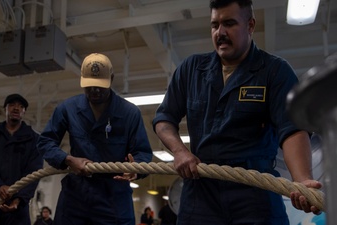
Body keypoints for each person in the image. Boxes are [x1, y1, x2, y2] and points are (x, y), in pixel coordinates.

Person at [152, 0, 322, 224]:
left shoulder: (274, 71)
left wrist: (302, 180)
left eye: (229, 23)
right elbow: (164, 120)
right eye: (215, 25)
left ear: (250, 25)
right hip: (201, 191)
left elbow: (291, 130)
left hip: (255, 191)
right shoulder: (191, 69)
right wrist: (180, 151)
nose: (220, 33)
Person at [37, 53, 153, 225]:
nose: (95, 90)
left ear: (111, 79)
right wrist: (68, 159)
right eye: (90, 85)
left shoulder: (129, 113)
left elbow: (143, 154)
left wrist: (136, 169)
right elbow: (45, 142)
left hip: (113, 196)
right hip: (76, 195)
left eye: (100, 86)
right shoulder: (67, 109)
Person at [0, 93, 43, 225]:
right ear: (5, 109)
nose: (16, 108)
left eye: (21, 106)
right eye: (12, 105)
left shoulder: (34, 140)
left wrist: (18, 199)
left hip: (18, 205)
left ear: (24, 111)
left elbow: (34, 172)